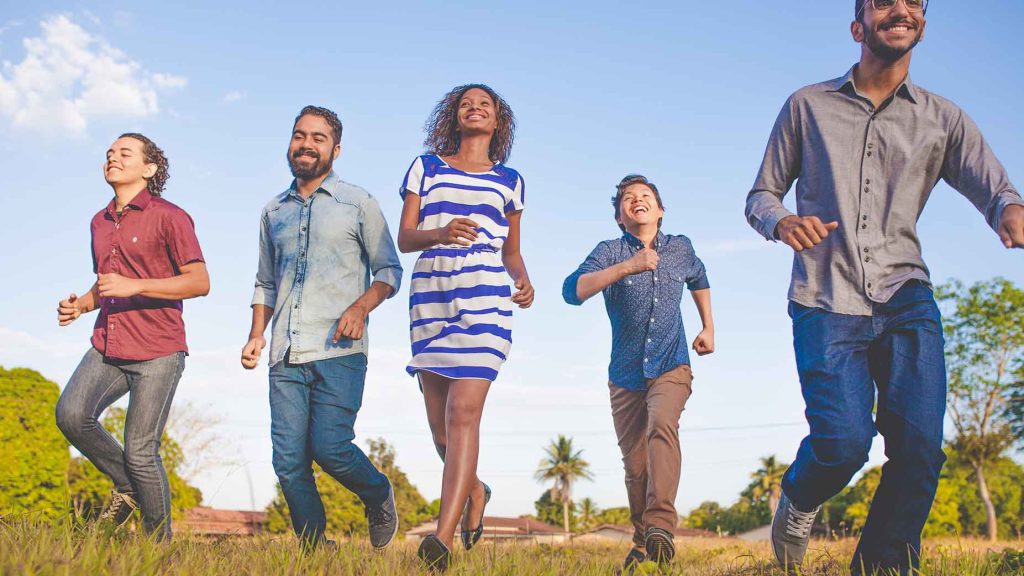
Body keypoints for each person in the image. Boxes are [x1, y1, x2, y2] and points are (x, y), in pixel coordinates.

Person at [745, 1, 1024, 574]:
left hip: (905, 294)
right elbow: (761, 195)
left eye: (914, 1)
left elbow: (995, 187)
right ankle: (798, 495)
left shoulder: (942, 118)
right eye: (883, 0)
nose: (901, 7)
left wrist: (1009, 211)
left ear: (921, 23)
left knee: (920, 447)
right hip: (825, 296)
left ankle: (883, 564)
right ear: (858, 27)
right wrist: (782, 222)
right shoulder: (808, 106)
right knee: (844, 444)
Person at [241, 105, 403, 550]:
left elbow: (390, 270)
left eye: (318, 137)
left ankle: (377, 492)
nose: (306, 144)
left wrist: (362, 306)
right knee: (289, 461)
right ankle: (316, 549)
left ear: (336, 148)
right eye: (299, 135)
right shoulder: (273, 210)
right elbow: (265, 281)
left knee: (330, 448)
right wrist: (257, 334)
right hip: (285, 353)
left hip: (340, 351)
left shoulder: (358, 202)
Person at [397, 84, 533, 571]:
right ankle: (476, 491)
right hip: (431, 296)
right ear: (454, 118)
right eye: (465, 104)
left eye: (486, 105)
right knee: (440, 433)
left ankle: (442, 539)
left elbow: (511, 251)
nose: (475, 108)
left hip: (485, 299)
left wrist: (523, 280)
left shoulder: (511, 180)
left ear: (498, 122)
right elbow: (405, 237)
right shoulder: (426, 167)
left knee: (463, 416)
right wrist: (440, 232)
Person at [55, 133, 210, 542]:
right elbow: (107, 283)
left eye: (125, 153)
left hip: (158, 350)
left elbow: (199, 282)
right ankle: (128, 487)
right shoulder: (98, 221)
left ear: (149, 168)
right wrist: (82, 305)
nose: (113, 158)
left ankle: (158, 546)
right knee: (71, 414)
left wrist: (135, 286)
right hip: (109, 343)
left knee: (141, 451)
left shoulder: (171, 216)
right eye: (109, 153)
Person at [563, 174, 714, 572]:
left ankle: (661, 526)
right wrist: (627, 267)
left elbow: (699, 276)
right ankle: (643, 541)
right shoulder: (610, 251)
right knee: (635, 466)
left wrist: (708, 326)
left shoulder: (681, 248)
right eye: (628, 198)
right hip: (625, 374)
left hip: (672, 363)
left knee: (663, 424)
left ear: (660, 210)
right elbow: (572, 290)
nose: (637, 201)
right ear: (620, 217)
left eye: (645, 196)